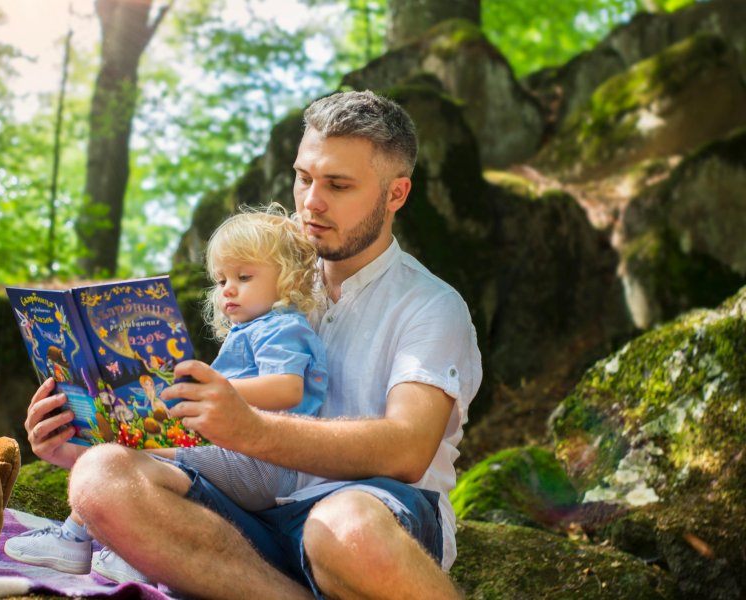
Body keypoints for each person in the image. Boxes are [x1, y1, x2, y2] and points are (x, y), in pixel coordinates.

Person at [25, 90, 480, 599]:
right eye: (304, 177)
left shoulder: (431, 305)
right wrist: (84, 434)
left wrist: (250, 427)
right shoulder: (265, 282)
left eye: (338, 185)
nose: (312, 201)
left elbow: (408, 449)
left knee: (343, 525)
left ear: (396, 194)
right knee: (98, 477)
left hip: (374, 511)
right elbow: (197, 438)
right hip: (252, 516)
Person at [5, 207, 329, 577]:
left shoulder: (283, 327)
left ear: (289, 279)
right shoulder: (254, 330)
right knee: (125, 450)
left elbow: (287, 388)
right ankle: (113, 549)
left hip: (264, 464)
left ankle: (83, 542)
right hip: (239, 455)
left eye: (244, 276)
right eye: (221, 280)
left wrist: (213, 390)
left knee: (133, 456)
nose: (229, 290)